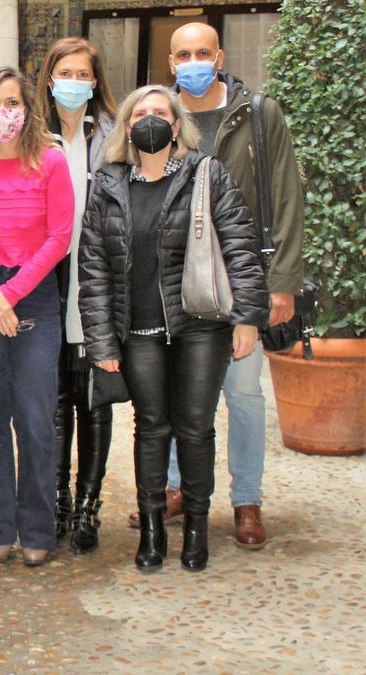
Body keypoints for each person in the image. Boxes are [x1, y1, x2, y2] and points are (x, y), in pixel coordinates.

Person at [123, 23, 306, 549]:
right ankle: (178, 487)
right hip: (178, 280)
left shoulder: (257, 112)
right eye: (183, 54)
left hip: (243, 275)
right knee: (183, 389)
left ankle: (246, 497)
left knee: (243, 393)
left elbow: (288, 196)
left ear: (220, 55)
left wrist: (282, 281)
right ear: (171, 62)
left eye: (204, 52)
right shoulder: (160, 118)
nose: (194, 61)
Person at [79, 85, 269, 572]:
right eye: (140, 113)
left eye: (160, 113)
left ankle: (197, 533)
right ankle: (152, 533)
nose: (150, 121)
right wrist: (101, 340)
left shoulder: (207, 174)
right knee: (150, 429)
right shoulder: (108, 184)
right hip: (138, 332)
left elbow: (241, 250)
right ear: (126, 127)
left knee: (195, 429)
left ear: (178, 123)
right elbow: (94, 268)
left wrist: (247, 317)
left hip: (200, 328)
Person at [0, 66, 72, 567]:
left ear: (28, 108)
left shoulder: (51, 161)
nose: (4, 113)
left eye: (13, 103)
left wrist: (13, 294)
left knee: (36, 419)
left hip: (35, 295)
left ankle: (39, 528)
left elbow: (59, 237)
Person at [32, 37, 119, 554]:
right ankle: (57, 501)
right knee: (54, 397)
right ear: (49, 78)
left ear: (94, 81)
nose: (72, 81)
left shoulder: (114, 135)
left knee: (96, 397)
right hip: (47, 278)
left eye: (82, 73)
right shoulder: (30, 135)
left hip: (98, 280)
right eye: (63, 72)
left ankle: (89, 506)